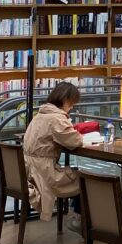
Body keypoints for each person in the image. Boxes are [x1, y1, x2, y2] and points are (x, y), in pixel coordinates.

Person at [23, 82, 84, 231]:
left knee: (75, 174)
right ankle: (81, 221)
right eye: (72, 103)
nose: (72, 107)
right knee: (85, 180)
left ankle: (79, 219)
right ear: (66, 100)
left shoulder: (40, 115)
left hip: (28, 171)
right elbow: (75, 141)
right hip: (44, 174)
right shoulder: (56, 118)